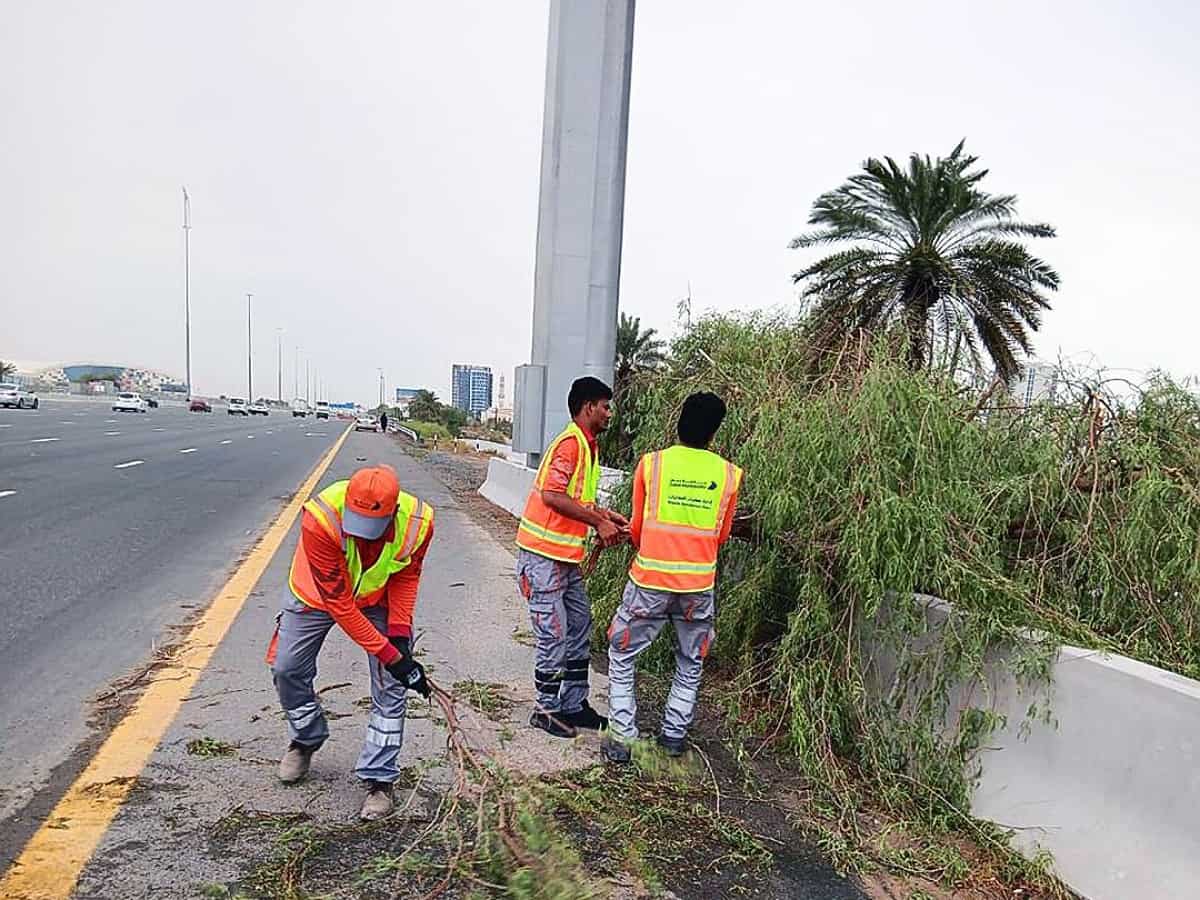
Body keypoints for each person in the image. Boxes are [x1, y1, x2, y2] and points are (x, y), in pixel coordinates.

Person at [267, 464, 434, 820]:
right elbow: (340, 604)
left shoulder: (418, 523)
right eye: (356, 528)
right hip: (315, 595)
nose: (362, 538)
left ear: (393, 515)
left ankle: (380, 779)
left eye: (373, 531)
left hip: (377, 598)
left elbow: (407, 576)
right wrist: (393, 656)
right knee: (286, 669)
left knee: (392, 686)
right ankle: (306, 737)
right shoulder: (321, 519)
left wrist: (400, 637)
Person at [600, 392, 742, 763]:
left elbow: (636, 530)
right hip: (697, 587)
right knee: (691, 661)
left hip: (649, 582)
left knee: (622, 653)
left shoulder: (652, 465)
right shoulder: (729, 475)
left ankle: (622, 738)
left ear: (679, 422)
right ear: (714, 432)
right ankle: (673, 736)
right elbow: (722, 535)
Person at [515, 376, 629, 737]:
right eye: (606, 406)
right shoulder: (571, 444)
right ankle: (545, 709)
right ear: (588, 407)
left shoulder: (587, 445)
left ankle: (573, 704)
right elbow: (552, 495)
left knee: (579, 625)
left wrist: (605, 515)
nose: (610, 414)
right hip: (542, 557)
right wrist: (598, 521)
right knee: (554, 633)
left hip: (564, 559)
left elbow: (575, 497)